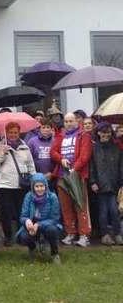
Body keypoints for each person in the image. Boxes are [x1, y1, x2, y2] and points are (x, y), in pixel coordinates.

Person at [0, 121, 36, 246]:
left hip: (22, 185)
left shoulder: (25, 146)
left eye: (15, 132)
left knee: (22, 212)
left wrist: (34, 179)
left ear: (19, 133)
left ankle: (22, 236)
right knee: (6, 213)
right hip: (5, 185)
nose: (13, 135)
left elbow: (31, 165)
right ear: (6, 133)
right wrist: (2, 153)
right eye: (10, 132)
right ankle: (8, 237)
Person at [51, 112, 93, 247]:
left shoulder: (84, 135)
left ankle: (84, 235)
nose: (69, 123)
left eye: (71, 121)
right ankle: (70, 233)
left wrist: (75, 168)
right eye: (66, 121)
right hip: (62, 176)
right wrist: (61, 159)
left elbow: (85, 155)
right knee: (66, 206)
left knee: (80, 205)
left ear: (77, 122)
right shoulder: (60, 135)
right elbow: (53, 152)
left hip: (77, 175)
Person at [17, 173, 62, 264]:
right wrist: (27, 221)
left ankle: (54, 253)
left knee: (52, 230)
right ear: (33, 187)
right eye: (37, 186)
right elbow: (23, 216)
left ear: (46, 186)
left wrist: (39, 224)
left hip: (48, 225)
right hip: (32, 226)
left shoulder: (52, 197)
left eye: (42, 186)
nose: (39, 189)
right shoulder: (28, 196)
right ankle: (33, 248)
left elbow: (55, 218)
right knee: (23, 236)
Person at [89, 122, 122, 245]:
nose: (106, 134)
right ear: (98, 132)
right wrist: (93, 182)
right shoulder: (94, 148)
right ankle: (105, 235)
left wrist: (121, 183)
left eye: (108, 132)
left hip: (114, 184)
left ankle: (117, 234)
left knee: (114, 210)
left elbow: (120, 167)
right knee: (103, 211)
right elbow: (91, 167)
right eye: (103, 132)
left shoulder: (116, 148)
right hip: (100, 185)